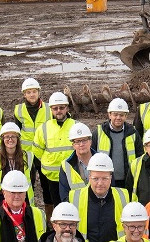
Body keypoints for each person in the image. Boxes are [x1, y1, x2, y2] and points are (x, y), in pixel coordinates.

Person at [68, 153, 131, 242]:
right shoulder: (74, 197)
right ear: (89, 177)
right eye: (96, 179)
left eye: (105, 178)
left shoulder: (123, 196)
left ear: (111, 178)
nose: (100, 183)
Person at [33, 91, 76, 220]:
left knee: (73, 206)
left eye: (61, 107)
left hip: (73, 177)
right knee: (57, 208)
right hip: (52, 177)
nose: (58, 111)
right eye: (55, 108)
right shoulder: (44, 128)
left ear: (67, 108)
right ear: (51, 110)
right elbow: (37, 151)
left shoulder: (75, 126)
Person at [13, 77, 51, 193]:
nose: (32, 94)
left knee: (47, 185)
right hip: (26, 153)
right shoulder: (19, 110)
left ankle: (48, 205)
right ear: (24, 94)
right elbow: (17, 132)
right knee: (28, 184)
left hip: (44, 152)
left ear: (39, 92)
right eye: (28, 92)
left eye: (34, 91)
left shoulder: (49, 108)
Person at [93, 98, 140, 189]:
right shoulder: (99, 133)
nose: (118, 117)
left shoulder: (133, 133)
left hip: (128, 181)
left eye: (121, 115)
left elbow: (139, 157)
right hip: (104, 180)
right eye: (115, 114)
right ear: (109, 115)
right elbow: (92, 155)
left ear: (126, 116)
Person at [0, 122, 36, 203]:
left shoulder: (28, 157)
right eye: (7, 137)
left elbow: (32, 180)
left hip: (24, 202)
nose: (10, 139)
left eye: (13, 136)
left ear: (18, 139)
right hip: (2, 202)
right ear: (2, 139)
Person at [59, 122, 95, 202]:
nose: (81, 144)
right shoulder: (66, 166)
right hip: (76, 208)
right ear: (73, 145)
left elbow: (110, 190)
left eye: (84, 140)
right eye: (77, 141)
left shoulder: (102, 161)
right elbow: (64, 196)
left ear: (90, 141)